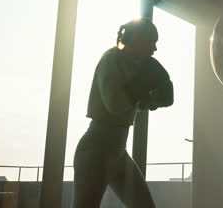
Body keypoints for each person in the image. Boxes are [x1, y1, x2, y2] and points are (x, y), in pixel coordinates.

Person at [73, 18, 172, 208]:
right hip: (97, 149)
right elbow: (115, 105)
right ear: (136, 38)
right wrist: (142, 86)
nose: (154, 49)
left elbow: (136, 104)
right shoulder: (110, 59)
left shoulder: (135, 66)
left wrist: (153, 99)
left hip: (118, 151)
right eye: (151, 42)